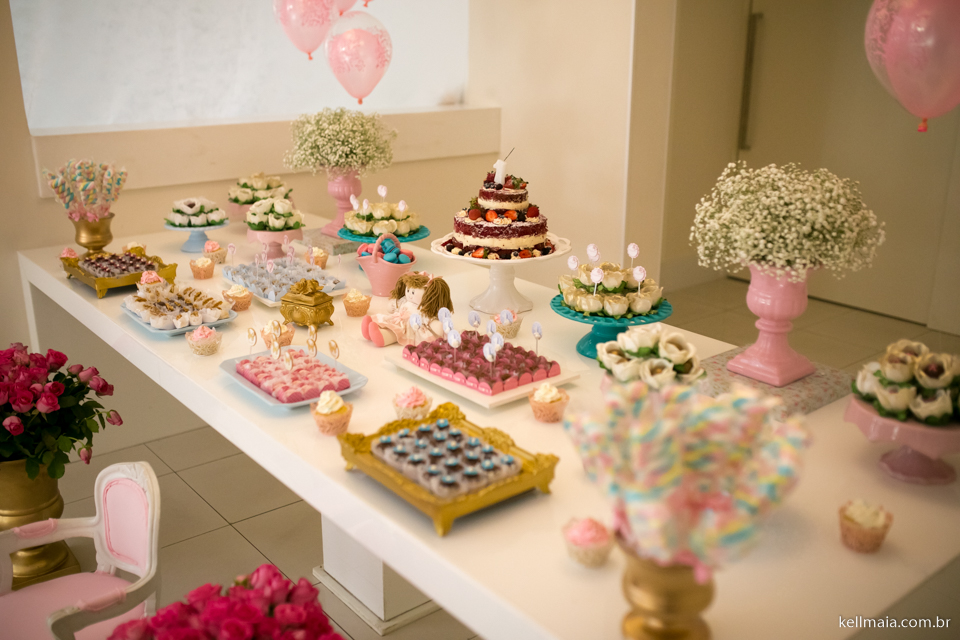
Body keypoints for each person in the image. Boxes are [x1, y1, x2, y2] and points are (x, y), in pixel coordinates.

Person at [360, 272, 453, 347]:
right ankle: (371, 329)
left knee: (396, 332)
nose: (409, 294)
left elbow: (429, 320)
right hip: (397, 318)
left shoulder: (422, 310)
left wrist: (438, 326)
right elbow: (393, 307)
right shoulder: (405, 300)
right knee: (387, 321)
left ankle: (382, 337)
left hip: (410, 328)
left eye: (413, 292)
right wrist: (392, 307)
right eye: (408, 290)